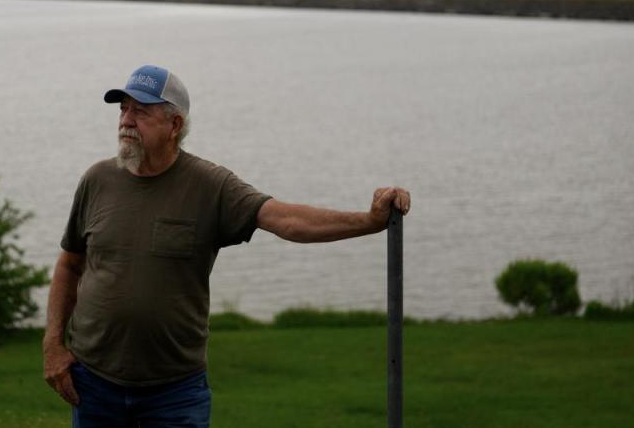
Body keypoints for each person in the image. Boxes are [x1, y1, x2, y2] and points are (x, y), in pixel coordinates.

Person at [43, 64, 411, 427]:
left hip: (173, 394)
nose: (126, 120)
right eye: (123, 109)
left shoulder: (210, 185)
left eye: (140, 111)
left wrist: (369, 221)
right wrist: (53, 346)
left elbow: (287, 220)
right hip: (93, 384)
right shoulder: (98, 179)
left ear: (175, 125)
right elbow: (70, 264)